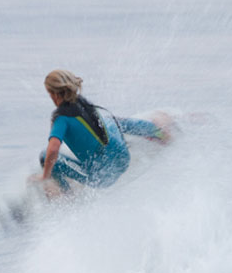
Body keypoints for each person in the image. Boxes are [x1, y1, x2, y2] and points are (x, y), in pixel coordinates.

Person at [33, 69, 171, 198]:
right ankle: (157, 132)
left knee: (44, 156)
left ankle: (67, 195)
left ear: (54, 94)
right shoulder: (82, 102)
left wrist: (45, 175)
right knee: (110, 121)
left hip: (103, 176)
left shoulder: (61, 119)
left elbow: (53, 149)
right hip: (123, 157)